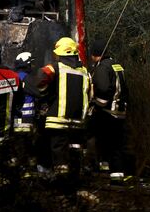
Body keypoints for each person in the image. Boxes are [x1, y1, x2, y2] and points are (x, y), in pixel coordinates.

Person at [24, 37, 90, 174]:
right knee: (74, 150)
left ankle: (61, 183)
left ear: (59, 53)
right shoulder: (84, 71)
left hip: (58, 120)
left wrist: (43, 93)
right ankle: (75, 178)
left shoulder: (54, 68)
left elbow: (39, 80)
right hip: (78, 121)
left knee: (58, 151)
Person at [89, 38, 128, 181]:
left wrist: (96, 103)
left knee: (101, 139)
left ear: (95, 54)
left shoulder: (102, 67)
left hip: (107, 112)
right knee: (117, 143)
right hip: (120, 111)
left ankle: (101, 167)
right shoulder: (117, 65)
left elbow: (104, 89)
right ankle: (117, 174)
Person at [13, 52, 37, 169]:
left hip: (15, 117)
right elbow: (38, 93)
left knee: (18, 142)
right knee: (28, 144)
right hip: (27, 118)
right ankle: (28, 168)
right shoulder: (28, 79)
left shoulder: (13, 77)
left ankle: (19, 167)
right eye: (31, 63)